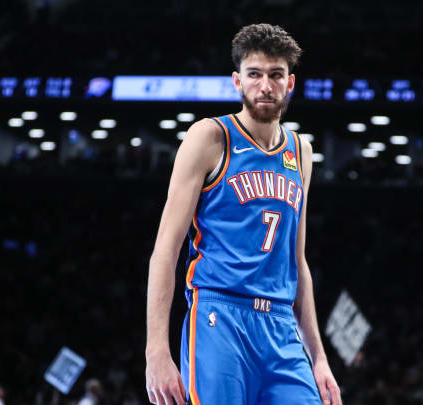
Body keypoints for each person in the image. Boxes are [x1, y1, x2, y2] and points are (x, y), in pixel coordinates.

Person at [145, 23, 341, 405]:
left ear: (290, 82)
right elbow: (165, 250)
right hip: (220, 316)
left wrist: (318, 358)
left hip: (282, 324)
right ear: (237, 81)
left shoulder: (301, 152)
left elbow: (297, 262)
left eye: (275, 75)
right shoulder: (209, 137)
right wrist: (156, 349)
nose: (265, 86)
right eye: (254, 74)